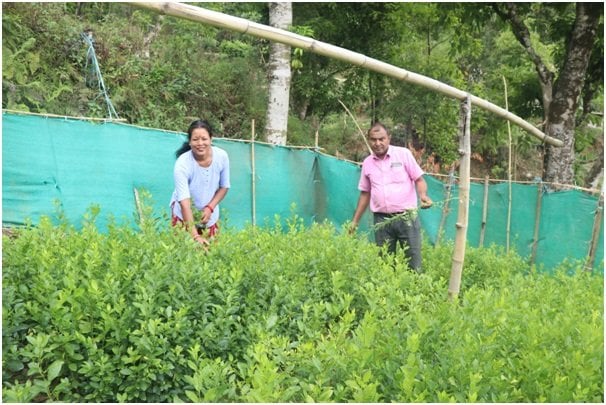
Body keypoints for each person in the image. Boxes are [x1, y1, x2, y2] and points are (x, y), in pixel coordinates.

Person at [351, 122, 432, 272]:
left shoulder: (403, 154)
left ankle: (414, 291)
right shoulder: (368, 163)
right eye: (373, 140)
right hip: (381, 221)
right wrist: (355, 221)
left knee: (413, 262)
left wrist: (423, 195)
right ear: (369, 140)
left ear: (389, 138)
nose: (378, 143)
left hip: (407, 217)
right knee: (385, 264)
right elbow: (365, 193)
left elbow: (419, 180)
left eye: (381, 139)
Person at [170, 119, 230, 246]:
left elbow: (224, 187)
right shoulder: (182, 164)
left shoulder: (222, 157)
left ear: (211, 139)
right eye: (195, 139)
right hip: (184, 216)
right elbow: (184, 203)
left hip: (210, 216)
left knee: (210, 255)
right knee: (184, 254)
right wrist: (195, 235)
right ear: (190, 142)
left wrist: (210, 208)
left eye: (204, 139)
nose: (200, 143)